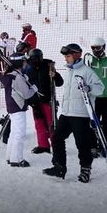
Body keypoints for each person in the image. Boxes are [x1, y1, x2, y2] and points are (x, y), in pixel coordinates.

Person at [43, 44, 105, 182]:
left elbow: (100, 88)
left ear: (77, 55)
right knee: (56, 138)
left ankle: (85, 169)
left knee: (82, 144)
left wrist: (89, 88)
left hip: (81, 114)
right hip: (66, 113)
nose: (65, 58)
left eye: (68, 56)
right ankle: (59, 166)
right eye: (65, 56)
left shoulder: (87, 71)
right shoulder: (69, 71)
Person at [0, 53, 39, 167]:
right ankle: (17, 159)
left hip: (12, 107)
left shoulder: (13, 75)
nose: (26, 63)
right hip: (18, 107)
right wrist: (34, 89)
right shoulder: (17, 76)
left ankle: (10, 156)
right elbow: (26, 94)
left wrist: (24, 78)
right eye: (24, 62)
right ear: (20, 63)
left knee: (14, 132)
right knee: (19, 133)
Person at [25, 48, 63, 154]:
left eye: (40, 57)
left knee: (51, 123)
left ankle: (56, 145)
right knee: (39, 123)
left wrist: (55, 75)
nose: (38, 60)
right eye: (35, 58)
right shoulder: (28, 70)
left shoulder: (48, 67)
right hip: (35, 102)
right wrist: (31, 102)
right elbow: (26, 87)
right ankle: (43, 145)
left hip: (48, 100)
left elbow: (60, 82)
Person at [86, 37, 107, 156]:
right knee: (93, 122)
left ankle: (104, 144)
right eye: (93, 48)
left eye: (98, 48)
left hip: (106, 97)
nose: (95, 50)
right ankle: (93, 146)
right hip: (94, 98)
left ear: (103, 47)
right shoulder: (90, 62)